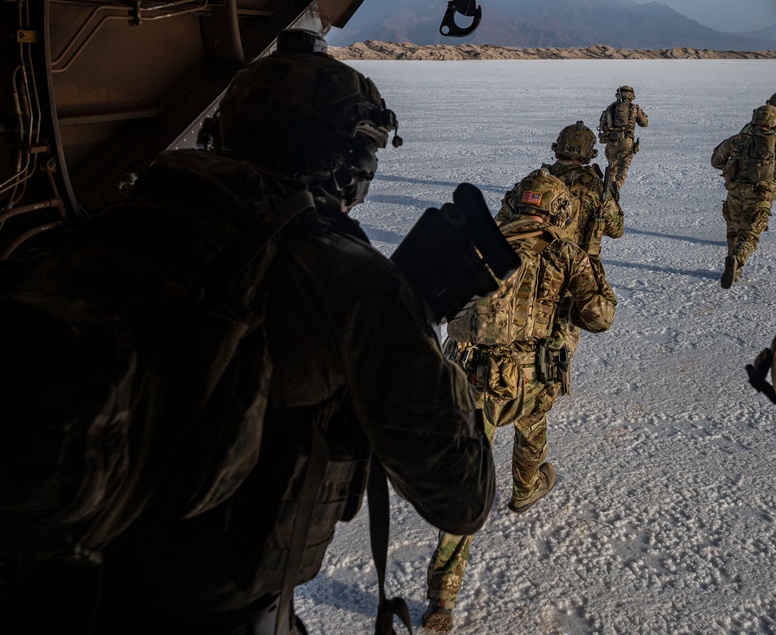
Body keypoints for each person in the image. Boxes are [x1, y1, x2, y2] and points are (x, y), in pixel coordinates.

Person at [2, 28, 495, 635]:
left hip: (46, 590)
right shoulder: (350, 279)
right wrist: (416, 324)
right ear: (344, 160)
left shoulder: (114, 217)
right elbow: (462, 497)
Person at [421, 170, 617, 631]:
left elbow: (429, 302)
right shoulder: (568, 253)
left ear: (515, 204)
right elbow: (601, 318)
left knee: (469, 480)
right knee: (533, 426)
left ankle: (443, 599)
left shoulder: (475, 244)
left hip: (472, 381)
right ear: (558, 211)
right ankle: (526, 488)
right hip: (534, 380)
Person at [496, 121, 624, 392]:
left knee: (522, 324)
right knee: (562, 332)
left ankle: (510, 378)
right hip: (575, 270)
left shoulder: (536, 180)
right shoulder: (594, 186)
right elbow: (617, 229)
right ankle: (543, 391)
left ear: (558, 147)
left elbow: (502, 222)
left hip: (529, 264)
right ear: (589, 152)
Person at [710, 104, 776, 289]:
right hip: (759, 197)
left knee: (733, 231)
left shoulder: (737, 139)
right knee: (749, 237)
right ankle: (737, 259)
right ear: (773, 122)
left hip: (734, 194)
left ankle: (734, 270)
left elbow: (716, 161)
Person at [598, 85, 649, 195]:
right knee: (623, 166)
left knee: (612, 166)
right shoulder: (634, 108)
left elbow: (602, 125)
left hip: (611, 142)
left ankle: (608, 190)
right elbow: (644, 123)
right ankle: (617, 185)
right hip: (626, 142)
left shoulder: (610, 108)